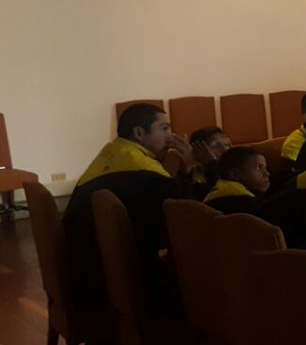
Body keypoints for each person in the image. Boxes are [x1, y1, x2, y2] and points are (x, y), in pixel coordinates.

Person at [63, 103, 196, 317]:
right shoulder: (143, 169)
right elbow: (186, 216)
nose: (170, 137)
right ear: (139, 133)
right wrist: (189, 168)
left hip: (83, 272)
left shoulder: (112, 153)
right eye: (164, 129)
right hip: (117, 282)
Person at [203, 146, 270, 215]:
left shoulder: (214, 194)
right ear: (234, 174)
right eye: (258, 168)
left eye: (265, 168)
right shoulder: (246, 204)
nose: (267, 173)